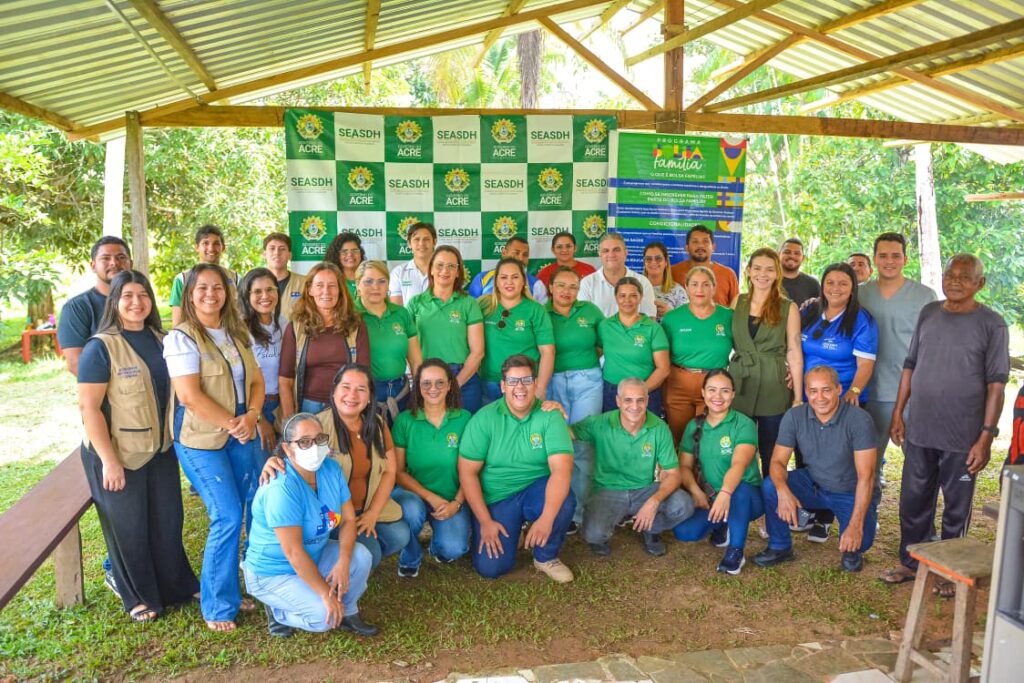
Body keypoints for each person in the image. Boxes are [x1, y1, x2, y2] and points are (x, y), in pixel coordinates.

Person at [882, 255, 1009, 590]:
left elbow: (996, 384)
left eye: (964, 277)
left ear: (979, 283)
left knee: (956, 507)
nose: (954, 282)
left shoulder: (992, 324)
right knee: (913, 500)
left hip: (963, 435)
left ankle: (949, 572)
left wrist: (986, 436)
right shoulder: (929, 313)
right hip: (921, 428)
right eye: (950, 275)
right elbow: (909, 365)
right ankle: (911, 562)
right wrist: (899, 412)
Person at [77, 270, 198, 622]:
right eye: (127, 295)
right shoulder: (100, 347)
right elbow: (90, 409)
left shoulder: (163, 340)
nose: (136, 302)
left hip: (160, 449)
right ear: (115, 301)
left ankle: (175, 585)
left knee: (167, 521)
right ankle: (137, 597)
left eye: (142, 295)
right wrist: (109, 461)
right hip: (118, 453)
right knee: (129, 528)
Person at [164, 263, 264, 632]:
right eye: (202, 288)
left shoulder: (235, 333)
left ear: (227, 292)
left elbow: (256, 381)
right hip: (201, 439)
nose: (211, 294)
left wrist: (252, 414)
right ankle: (218, 605)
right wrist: (234, 423)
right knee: (227, 515)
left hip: (240, 429)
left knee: (248, 507)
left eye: (218, 287)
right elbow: (189, 396)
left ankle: (240, 590)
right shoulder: (182, 337)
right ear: (190, 294)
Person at [243, 413, 376, 637]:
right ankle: (278, 611)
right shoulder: (281, 487)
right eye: (304, 442)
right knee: (322, 617)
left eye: (319, 439)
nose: (314, 447)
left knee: (360, 556)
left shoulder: (331, 470)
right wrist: (325, 594)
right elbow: (293, 552)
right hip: (274, 571)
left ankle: (348, 611)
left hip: (313, 556)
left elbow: (349, 520)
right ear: (287, 449)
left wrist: (343, 561)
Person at [458, 355, 576, 582]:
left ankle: (546, 556)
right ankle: (510, 529)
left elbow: (562, 470)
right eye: (512, 381)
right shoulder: (484, 419)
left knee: (563, 501)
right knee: (491, 568)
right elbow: (467, 472)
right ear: (502, 386)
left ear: (535, 384)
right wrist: (485, 521)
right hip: (498, 495)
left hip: (536, 488)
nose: (519, 387)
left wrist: (546, 519)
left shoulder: (550, 416)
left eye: (526, 380)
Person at [754, 366, 880, 573]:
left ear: (839, 389)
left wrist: (856, 525)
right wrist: (783, 492)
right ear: (806, 392)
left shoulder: (859, 420)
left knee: (861, 541)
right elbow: (777, 462)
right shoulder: (795, 416)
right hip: (813, 484)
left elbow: (866, 477)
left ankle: (853, 547)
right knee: (771, 486)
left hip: (849, 490)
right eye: (813, 391)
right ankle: (780, 546)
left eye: (826, 390)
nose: (819, 397)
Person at [798, 262, 877, 542]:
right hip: (809, 396)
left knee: (837, 462)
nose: (835, 288)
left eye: (843, 283)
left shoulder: (861, 319)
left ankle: (836, 516)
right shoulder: (809, 311)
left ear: (853, 288)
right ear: (822, 285)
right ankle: (813, 511)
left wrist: (853, 391)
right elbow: (794, 346)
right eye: (830, 282)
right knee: (806, 454)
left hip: (843, 400)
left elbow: (865, 363)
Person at [571, 378, 693, 558]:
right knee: (593, 534)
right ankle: (606, 531)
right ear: (618, 401)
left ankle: (649, 527)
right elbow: (568, 433)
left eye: (640, 400)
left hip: (644, 489)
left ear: (647, 401)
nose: (634, 406)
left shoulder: (659, 428)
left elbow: (674, 474)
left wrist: (653, 502)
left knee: (684, 504)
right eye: (628, 400)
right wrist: (551, 413)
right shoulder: (600, 423)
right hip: (608, 490)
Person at [857, 233, 936, 481]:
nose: (889, 261)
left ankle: (918, 519)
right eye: (883, 256)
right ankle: (869, 518)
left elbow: (933, 347)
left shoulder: (925, 296)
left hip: (912, 393)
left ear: (905, 259)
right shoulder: (859, 294)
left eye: (895, 255)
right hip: (871, 393)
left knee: (920, 467)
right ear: (874, 259)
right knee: (867, 467)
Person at [672, 369, 764, 575]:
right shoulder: (694, 426)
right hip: (712, 497)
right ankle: (723, 525)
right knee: (685, 532)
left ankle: (736, 551)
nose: (718, 396)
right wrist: (696, 492)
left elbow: (738, 465)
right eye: (712, 390)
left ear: (732, 394)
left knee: (738, 491)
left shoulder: (743, 424)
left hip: (746, 496)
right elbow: (684, 466)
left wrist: (725, 493)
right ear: (703, 392)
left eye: (724, 391)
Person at [391, 360, 473, 577]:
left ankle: (438, 546)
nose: (433, 388)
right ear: (417, 387)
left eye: (439, 383)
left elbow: (472, 470)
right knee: (410, 512)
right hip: (413, 494)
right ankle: (411, 555)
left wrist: (456, 503)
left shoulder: (464, 419)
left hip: (450, 497)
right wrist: (430, 497)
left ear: (449, 386)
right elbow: (398, 472)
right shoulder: (404, 421)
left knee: (454, 548)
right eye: (426, 383)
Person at [729, 248, 803, 476]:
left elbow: (794, 350)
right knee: (740, 448)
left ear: (777, 273)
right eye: (758, 268)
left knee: (772, 451)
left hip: (774, 382)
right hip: (741, 381)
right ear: (749, 271)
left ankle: (773, 502)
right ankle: (744, 501)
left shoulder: (788, 307)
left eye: (770, 269)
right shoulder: (737, 302)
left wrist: (798, 397)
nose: (763, 274)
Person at [547, 266, 605, 527]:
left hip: (588, 381)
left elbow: (605, 342)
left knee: (583, 444)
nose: (567, 291)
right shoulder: (540, 313)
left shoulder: (590, 311)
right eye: (561, 285)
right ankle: (559, 508)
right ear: (550, 287)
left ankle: (580, 514)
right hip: (553, 381)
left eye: (573, 286)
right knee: (559, 444)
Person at [279, 262, 370, 418]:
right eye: (319, 285)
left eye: (332, 286)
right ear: (310, 290)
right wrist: (291, 421)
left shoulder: (356, 325)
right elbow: (285, 380)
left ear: (340, 290)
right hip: (309, 407)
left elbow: (363, 374)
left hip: (346, 406)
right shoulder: (296, 327)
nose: (326, 291)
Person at [661, 266, 734, 444]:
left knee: (708, 440)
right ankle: (680, 472)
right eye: (694, 284)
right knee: (679, 439)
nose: (699, 290)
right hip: (679, 383)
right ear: (686, 287)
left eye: (705, 285)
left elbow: (745, 348)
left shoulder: (729, 317)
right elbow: (661, 354)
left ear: (714, 287)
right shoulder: (672, 318)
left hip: (714, 385)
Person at [407, 246, 485, 413]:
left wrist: (455, 384)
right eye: (440, 265)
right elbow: (409, 349)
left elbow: (478, 352)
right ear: (431, 269)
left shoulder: (469, 303)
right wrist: (423, 381)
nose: (445, 270)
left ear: (458, 272)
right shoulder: (415, 304)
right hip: (427, 379)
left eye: (451, 266)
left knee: (467, 434)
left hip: (463, 378)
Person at [478, 257, 555, 404]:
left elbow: (548, 352)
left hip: (524, 385)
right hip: (489, 384)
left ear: (523, 281)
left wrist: (541, 387)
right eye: (503, 277)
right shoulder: (483, 305)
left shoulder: (536, 310)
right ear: (496, 282)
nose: (509, 282)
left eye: (515, 277)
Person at [355, 260, 422, 422]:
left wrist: (420, 394)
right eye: (368, 281)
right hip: (364, 393)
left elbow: (415, 359)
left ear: (388, 285)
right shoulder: (350, 315)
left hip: (401, 391)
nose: (375, 287)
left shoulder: (401, 313)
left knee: (400, 443)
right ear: (358, 285)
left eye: (381, 281)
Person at [59, 236, 133, 376]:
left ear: (131, 264)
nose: (114, 263)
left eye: (121, 257)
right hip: (106, 392)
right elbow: (76, 363)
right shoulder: (77, 307)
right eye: (105, 258)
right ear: (93, 266)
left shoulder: (141, 303)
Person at [597, 277, 670, 416]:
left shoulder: (653, 328)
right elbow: (597, 352)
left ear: (641, 297)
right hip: (612, 392)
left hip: (645, 391)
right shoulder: (605, 326)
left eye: (633, 296)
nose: (627, 300)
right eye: (622, 296)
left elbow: (663, 369)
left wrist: (640, 392)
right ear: (616, 297)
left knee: (645, 436)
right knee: (613, 435)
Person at [239, 268, 286, 465]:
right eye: (257, 292)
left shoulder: (283, 323)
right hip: (257, 408)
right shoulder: (240, 330)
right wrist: (259, 419)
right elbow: (240, 380)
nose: (265, 296)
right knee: (263, 472)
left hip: (282, 404)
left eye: (270, 289)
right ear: (246, 295)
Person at [170, 225, 237, 327]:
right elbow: (177, 322)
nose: (211, 248)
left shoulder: (235, 278)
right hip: (195, 338)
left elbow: (241, 315)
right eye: (205, 243)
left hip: (227, 337)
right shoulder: (183, 279)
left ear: (223, 247)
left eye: (216, 244)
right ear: (197, 247)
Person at [578, 232, 656, 317]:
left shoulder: (643, 282)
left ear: (626, 253)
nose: (611, 254)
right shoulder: (587, 283)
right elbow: (585, 321)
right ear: (599, 254)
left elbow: (650, 320)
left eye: (616, 250)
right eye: (606, 251)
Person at [669, 225, 739, 307]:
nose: (700, 246)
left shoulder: (728, 274)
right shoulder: (672, 272)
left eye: (705, 241)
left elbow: (736, 308)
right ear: (686, 248)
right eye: (695, 242)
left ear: (713, 247)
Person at [468, 235, 548, 303]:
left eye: (525, 255)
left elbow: (541, 315)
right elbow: (471, 311)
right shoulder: (482, 279)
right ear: (504, 253)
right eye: (516, 253)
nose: (520, 258)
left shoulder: (537, 285)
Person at [388, 222, 435, 305]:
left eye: (426, 239)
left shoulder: (444, 271)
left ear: (434, 242)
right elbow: (397, 309)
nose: (421, 243)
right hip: (407, 318)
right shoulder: (398, 273)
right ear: (409, 243)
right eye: (416, 239)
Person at [262, 232, 306, 321]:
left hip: (296, 335)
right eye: (272, 248)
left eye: (282, 249)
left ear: (290, 255)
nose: (277, 253)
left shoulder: (305, 283)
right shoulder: (252, 283)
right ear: (264, 254)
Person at [643, 241, 688, 321]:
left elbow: (687, 322)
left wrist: (670, 314)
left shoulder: (678, 291)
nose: (653, 262)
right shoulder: (635, 288)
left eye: (658, 258)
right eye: (648, 259)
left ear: (666, 262)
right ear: (644, 263)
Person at [779, 238, 820, 307]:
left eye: (797, 253)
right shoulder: (768, 280)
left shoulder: (812, 284)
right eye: (787, 252)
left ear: (803, 258)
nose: (792, 256)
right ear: (778, 255)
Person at [325, 231, 365, 299]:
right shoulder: (331, 281)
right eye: (344, 251)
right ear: (336, 255)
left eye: (354, 251)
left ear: (360, 253)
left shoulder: (370, 278)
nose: (350, 255)